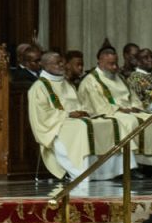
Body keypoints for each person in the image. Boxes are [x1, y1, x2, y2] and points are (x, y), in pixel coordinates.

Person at [27, 50, 120, 181]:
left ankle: (107, 172)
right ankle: (82, 172)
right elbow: (42, 115)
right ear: (46, 65)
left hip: (76, 119)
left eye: (62, 62)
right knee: (82, 127)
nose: (61, 65)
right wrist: (69, 114)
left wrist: (84, 111)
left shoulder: (66, 83)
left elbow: (79, 103)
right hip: (56, 125)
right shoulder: (38, 87)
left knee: (107, 123)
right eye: (57, 63)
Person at [79, 44, 152, 175]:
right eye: (111, 64)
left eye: (115, 63)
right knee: (129, 122)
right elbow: (98, 105)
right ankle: (130, 167)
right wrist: (120, 109)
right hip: (110, 113)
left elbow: (132, 96)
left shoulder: (119, 77)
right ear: (100, 62)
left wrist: (135, 106)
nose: (115, 67)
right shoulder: (91, 81)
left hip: (129, 111)